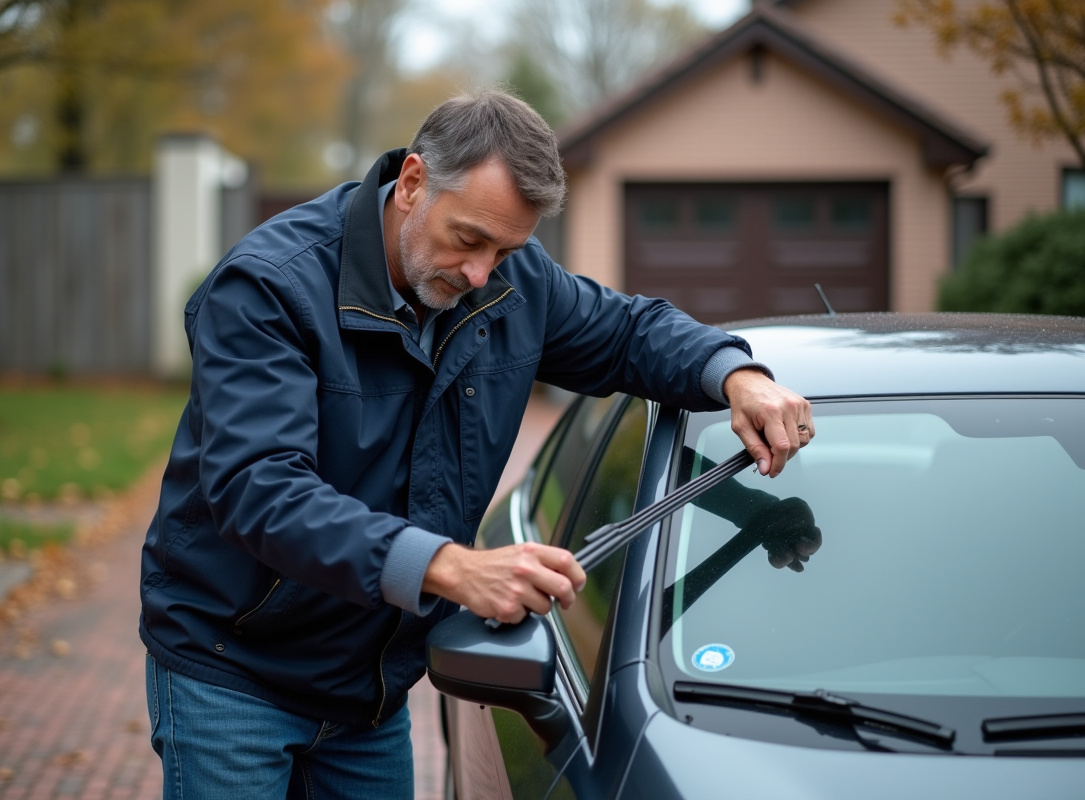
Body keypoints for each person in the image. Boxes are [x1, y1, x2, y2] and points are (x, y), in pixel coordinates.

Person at [139, 89, 814, 799]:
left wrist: (735, 373)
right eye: (467, 240)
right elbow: (259, 490)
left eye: (507, 249)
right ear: (412, 183)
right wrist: (451, 568)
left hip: (368, 691)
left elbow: (627, 332)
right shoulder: (268, 290)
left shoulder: (509, 282)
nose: (481, 275)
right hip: (234, 669)